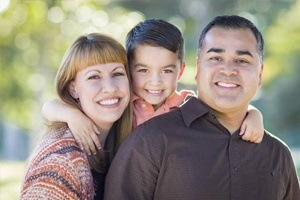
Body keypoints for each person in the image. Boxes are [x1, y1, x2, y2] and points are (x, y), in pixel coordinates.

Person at [104, 15, 300, 199]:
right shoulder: (149, 140)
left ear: (260, 75)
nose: (229, 70)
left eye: (242, 60)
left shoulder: (278, 155)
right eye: (215, 58)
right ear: (197, 69)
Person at [42, 19, 265, 156]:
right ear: (128, 70)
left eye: (166, 71)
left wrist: (254, 114)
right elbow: (49, 106)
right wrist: (73, 116)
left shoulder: (187, 104)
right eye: (143, 71)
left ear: (180, 71)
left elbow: (224, 111)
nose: (155, 82)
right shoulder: (121, 104)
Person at [20, 33, 132, 200]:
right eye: (94, 76)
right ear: (73, 89)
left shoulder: (121, 138)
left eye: (117, 74)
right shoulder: (60, 163)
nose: (110, 87)